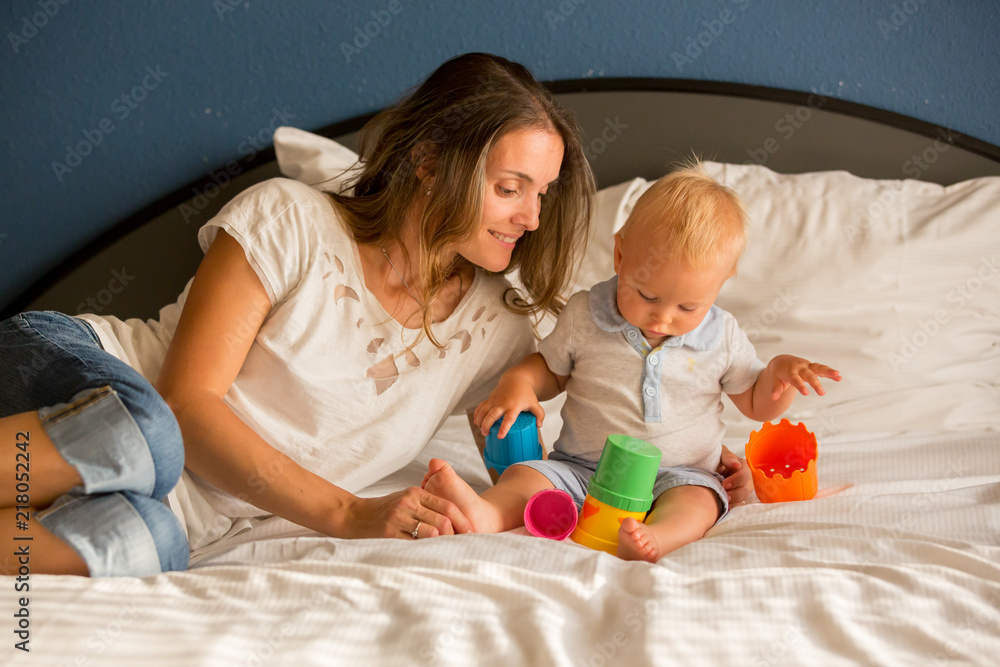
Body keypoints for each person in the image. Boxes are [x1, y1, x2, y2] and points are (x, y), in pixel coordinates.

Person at [0, 54, 753, 578]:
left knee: (149, 543)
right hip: (74, 382)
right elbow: (188, 406)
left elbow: (551, 468)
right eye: (510, 186)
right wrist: (349, 513)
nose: (530, 216)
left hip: (171, 509)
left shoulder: (502, 332)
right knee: (154, 436)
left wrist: (681, 460)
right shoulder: (289, 219)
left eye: (543, 194)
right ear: (430, 161)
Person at [422, 163, 842, 563]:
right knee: (528, 478)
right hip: (583, 467)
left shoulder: (722, 336)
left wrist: (779, 379)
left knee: (700, 504)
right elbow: (549, 370)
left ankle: (657, 537)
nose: (662, 318)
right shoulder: (586, 315)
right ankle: (485, 515)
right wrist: (519, 383)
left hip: (677, 475)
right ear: (620, 255)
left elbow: (755, 403)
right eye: (647, 296)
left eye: (688, 306)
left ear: (721, 284)